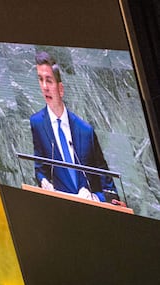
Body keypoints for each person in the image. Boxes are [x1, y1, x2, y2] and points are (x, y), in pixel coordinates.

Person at [30, 51, 120, 203]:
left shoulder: (85, 131)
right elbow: (40, 169)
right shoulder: (37, 123)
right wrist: (43, 181)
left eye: (49, 81)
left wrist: (94, 198)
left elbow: (110, 191)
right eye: (40, 79)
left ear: (61, 89)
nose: (44, 87)